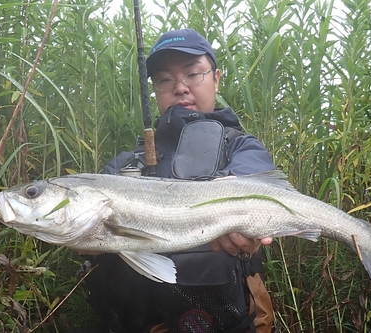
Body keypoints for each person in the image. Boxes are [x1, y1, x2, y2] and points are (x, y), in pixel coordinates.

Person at [80, 29, 275, 333]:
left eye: (193, 74)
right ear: (155, 89)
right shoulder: (125, 165)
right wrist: (81, 239)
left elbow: (254, 191)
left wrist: (245, 234)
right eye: (164, 79)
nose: (180, 88)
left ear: (216, 78)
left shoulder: (242, 148)